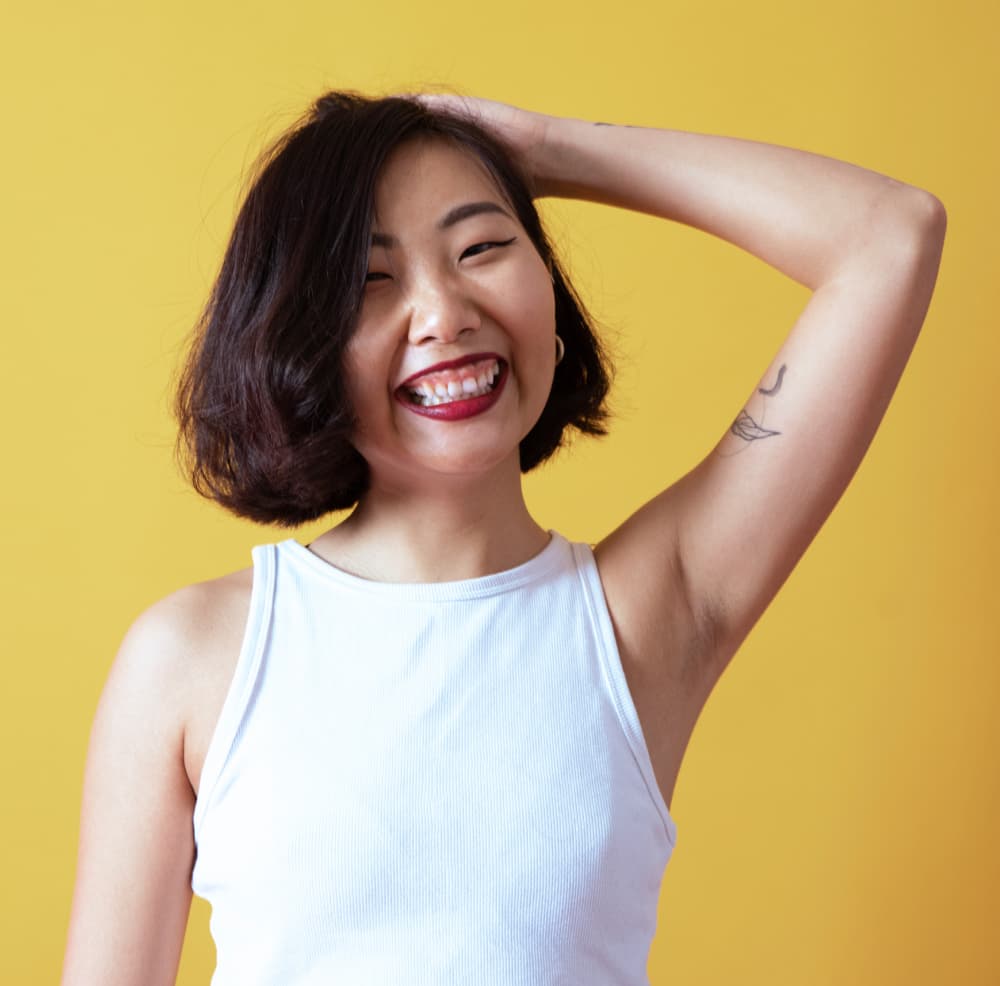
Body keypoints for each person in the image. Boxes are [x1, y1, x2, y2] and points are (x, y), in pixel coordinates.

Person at [61, 91, 946, 985]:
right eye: (372, 280)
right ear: (300, 340)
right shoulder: (193, 658)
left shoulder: (645, 617)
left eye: (481, 247)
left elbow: (891, 233)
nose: (445, 313)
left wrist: (554, 151)